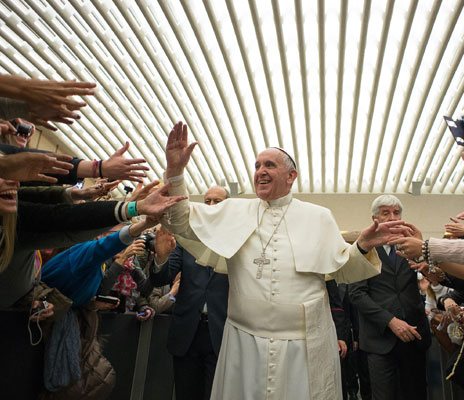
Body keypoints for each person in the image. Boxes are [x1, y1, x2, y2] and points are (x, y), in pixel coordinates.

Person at [161, 122, 412, 400]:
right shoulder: (233, 210)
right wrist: (175, 173)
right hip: (245, 342)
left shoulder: (318, 217)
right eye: (257, 166)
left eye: (269, 165)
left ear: (291, 175)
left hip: (303, 346)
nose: (260, 172)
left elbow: (343, 271)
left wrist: (363, 245)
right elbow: (179, 221)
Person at [151, 186, 230, 400]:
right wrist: (161, 256)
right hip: (187, 335)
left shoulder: (237, 243)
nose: (211, 206)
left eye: (217, 201)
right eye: (207, 201)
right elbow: (160, 278)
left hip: (221, 335)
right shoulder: (186, 240)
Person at [349, 195, 431, 400]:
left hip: (414, 336)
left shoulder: (413, 244)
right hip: (379, 339)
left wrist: (423, 254)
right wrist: (391, 321)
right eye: (386, 213)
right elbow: (357, 294)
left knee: (416, 394)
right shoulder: (365, 249)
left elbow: (433, 279)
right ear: (375, 218)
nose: (392, 217)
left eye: (396, 212)